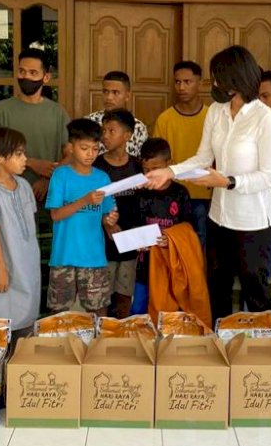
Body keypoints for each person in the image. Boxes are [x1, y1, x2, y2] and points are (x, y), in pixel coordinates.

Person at [145, 46, 271, 324]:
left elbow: (269, 175)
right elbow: (203, 157)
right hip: (220, 217)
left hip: (254, 221)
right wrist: (169, 172)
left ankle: (264, 351)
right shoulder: (217, 112)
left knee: (254, 289)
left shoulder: (262, 116)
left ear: (237, 77)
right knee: (217, 287)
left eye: (219, 78)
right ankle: (219, 346)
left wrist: (228, 181)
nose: (215, 84)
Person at [0, 47, 70, 313]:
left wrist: (50, 179)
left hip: (48, 201)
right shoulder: (2, 110)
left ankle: (44, 325)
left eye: (33, 72)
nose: (26, 77)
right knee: (12, 262)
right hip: (9, 200)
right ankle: (16, 324)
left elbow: (69, 154)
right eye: (22, 71)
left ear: (46, 77)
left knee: (45, 264)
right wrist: (33, 163)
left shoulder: (57, 113)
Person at [0, 128, 41, 343]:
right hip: (1, 263)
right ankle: (0, 372)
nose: (25, 159)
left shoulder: (23, 186)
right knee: (0, 320)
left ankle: (20, 371)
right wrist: (1, 270)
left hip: (26, 262)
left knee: (26, 320)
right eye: (18, 154)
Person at [45, 119, 118, 315]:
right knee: (58, 314)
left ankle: (98, 346)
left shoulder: (102, 178)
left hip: (93, 256)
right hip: (64, 256)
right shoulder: (61, 175)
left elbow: (106, 215)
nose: (90, 154)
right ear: (71, 147)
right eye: (84, 148)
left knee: (99, 311)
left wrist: (110, 220)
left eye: (95, 149)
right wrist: (85, 200)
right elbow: (56, 214)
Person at [130, 138, 193, 315]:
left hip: (171, 264)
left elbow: (188, 228)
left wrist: (172, 240)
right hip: (144, 265)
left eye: (156, 169)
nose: (151, 175)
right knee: (138, 308)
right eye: (146, 170)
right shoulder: (140, 193)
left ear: (169, 164)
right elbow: (135, 224)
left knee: (169, 311)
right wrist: (136, 241)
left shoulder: (180, 193)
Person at [152, 61, 211, 246]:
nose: (181, 87)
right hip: (172, 195)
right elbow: (157, 158)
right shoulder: (165, 119)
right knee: (171, 245)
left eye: (187, 81)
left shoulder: (211, 117)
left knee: (200, 246)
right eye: (177, 82)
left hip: (203, 194)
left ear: (200, 83)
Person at [93, 109, 142, 318]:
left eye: (111, 131)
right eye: (103, 130)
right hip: (101, 244)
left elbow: (144, 204)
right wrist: (105, 223)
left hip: (130, 243)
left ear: (128, 135)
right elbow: (89, 203)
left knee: (125, 295)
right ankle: (101, 336)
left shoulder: (138, 166)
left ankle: (121, 335)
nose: (105, 135)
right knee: (101, 297)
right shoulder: (96, 166)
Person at [87, 71, 148, 156]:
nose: (109, 97)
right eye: (105, 92)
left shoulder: (139, 128)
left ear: (127, 96)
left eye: (115, 92)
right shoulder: (89, 122)